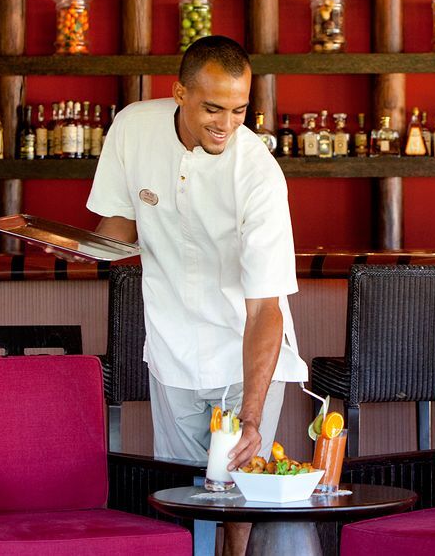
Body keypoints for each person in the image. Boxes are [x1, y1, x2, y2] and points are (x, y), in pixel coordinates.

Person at [86, 35, 308, 555]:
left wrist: (251, 416)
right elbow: (119, 223)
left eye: (239, 110)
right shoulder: (133, 127)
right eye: (212, 108)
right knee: (183, 503)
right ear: (179, 92)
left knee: (238, 506)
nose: (226, 124)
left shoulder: (258, 174)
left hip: (243, 352)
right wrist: (72, 247)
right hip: (172, 349)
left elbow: (265, 308)